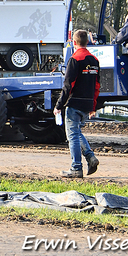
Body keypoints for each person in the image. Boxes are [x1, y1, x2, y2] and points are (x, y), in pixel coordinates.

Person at [53, 29, 100, 178]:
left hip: (74, 103)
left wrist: (58, 105)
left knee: (72, 136)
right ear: (87, 42)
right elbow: (97, 86)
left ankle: (76, 168)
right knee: (77, 132)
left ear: (74, 42)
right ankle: (90, 157)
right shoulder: (94, 60)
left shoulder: (75, 59)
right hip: (87, 104)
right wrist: (93, 107)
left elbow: (68, 85)